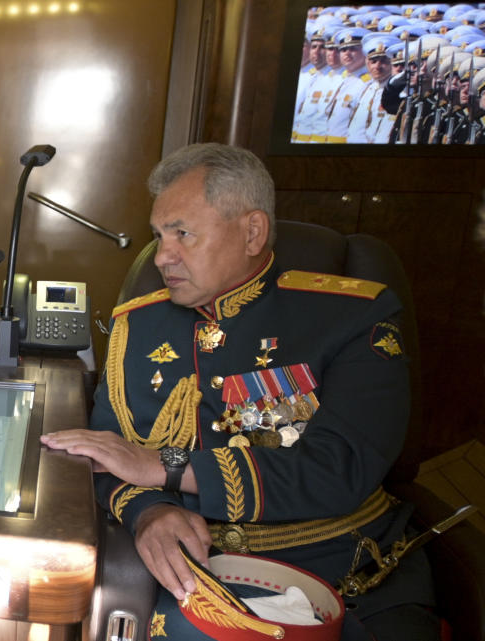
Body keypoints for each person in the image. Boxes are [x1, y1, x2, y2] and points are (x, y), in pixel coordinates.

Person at [40, 144, 438, 640]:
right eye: (159, 236)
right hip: (201, 573)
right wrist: (149, 510)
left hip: (341, 564)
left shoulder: (352, 317)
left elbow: (340, 467)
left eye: (182, 234)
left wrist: (168, 465)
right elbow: (103, 454)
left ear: (252, 232)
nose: (163, 256)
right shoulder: (139, 325)